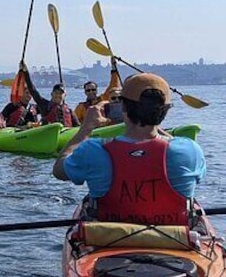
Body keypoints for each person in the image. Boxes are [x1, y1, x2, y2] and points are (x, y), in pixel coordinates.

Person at [53, 73, 205, 225]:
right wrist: (154, 119)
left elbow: (59, 170)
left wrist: (85, 128)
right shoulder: (189, 150)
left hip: (109, 239)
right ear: (165, 111)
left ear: (123, 107)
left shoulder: (93, 150)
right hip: (175, 240)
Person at [20, 62, 79, 127]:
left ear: (65, 95)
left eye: (61, 93)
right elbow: (32, 90)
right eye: (56, 93)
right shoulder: (44, 104)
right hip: (48, 132)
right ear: (51, 94)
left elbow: (77, 126)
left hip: (65, 134)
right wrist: (25, 72)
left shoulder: (69, 110)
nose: (58, 95)